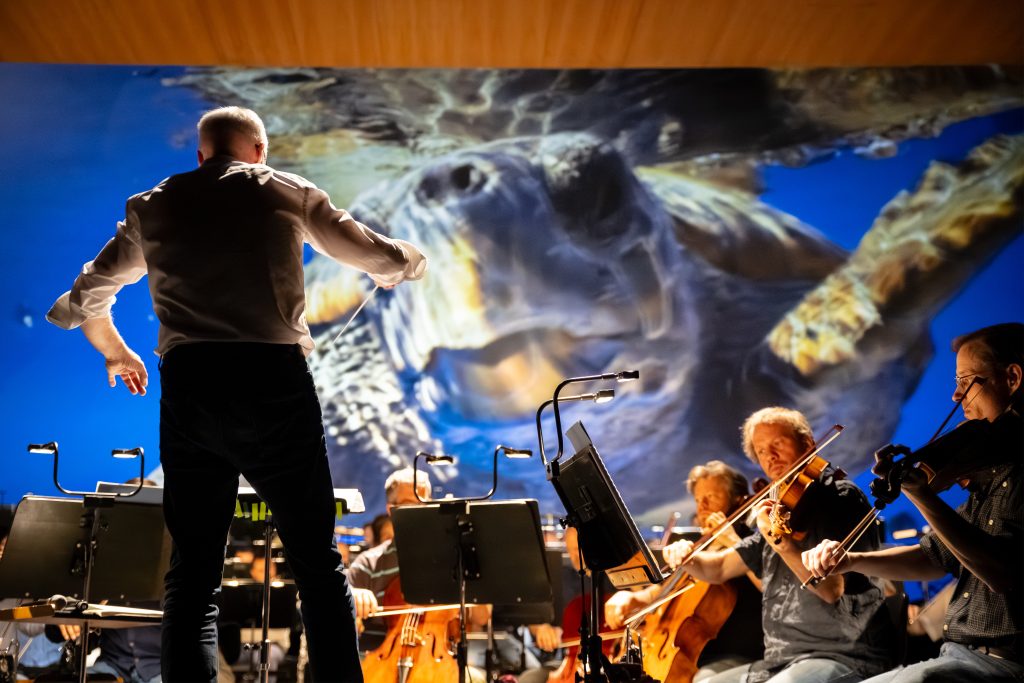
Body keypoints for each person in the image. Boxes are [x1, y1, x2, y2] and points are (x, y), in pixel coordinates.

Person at [46, 106, 427, 683]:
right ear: (260, 151)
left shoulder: (154, 204)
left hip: (191, 389)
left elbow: (87, 296)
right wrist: (404, 265)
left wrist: (116, 353)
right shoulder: (286, 191)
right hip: (272, 384)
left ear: (200, 155)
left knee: (192, 577)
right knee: (318, 566)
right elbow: (379, 256)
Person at [803, 323, 1023, 682]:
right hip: (957, 655)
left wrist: (922, 495)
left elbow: (1004, 573)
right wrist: (852, 560)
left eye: (967, 381)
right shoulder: (991, 470)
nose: (956, 396)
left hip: (1004, 665)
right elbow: (935, 555)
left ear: (1012, 378)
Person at [661, 407, 896, 683]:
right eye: (761, 451)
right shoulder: (778, 510)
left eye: (778, 444)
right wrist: (687, 557)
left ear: (808, 443)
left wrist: (782, 543)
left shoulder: (839, 499)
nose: (770, 457)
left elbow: (831, 590)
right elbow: (720, 568)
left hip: (844, 654)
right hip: (783, 659)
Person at [603, 460, 764, 680]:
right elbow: (668, 594)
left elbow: (766, 584)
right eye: (698, 499)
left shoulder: (751, 542)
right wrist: (634, 598)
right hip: (689, 651)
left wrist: (732, 540)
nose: (702, 506)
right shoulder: (699, 545)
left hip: (729, 655)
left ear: (738, 500)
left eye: (712, 497)